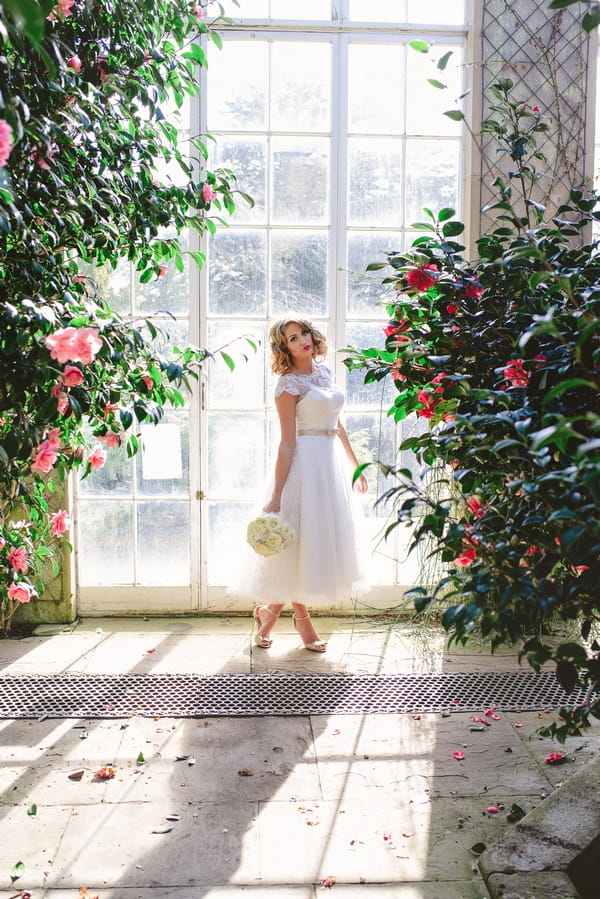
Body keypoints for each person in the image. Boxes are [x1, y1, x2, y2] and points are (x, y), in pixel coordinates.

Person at [239, 316, 369, 653]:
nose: (302, 341)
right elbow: (286, 443)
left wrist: (356, 468)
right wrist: (277, 493)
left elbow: (338, 427)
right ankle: (301, 620)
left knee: (313, 543)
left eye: (304, 334)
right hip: (302, 465)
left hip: (329, 466)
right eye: (292, 339)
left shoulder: (324, 373)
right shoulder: (287, 385)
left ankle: (268, 614)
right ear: (285, 348)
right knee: (296, 543)